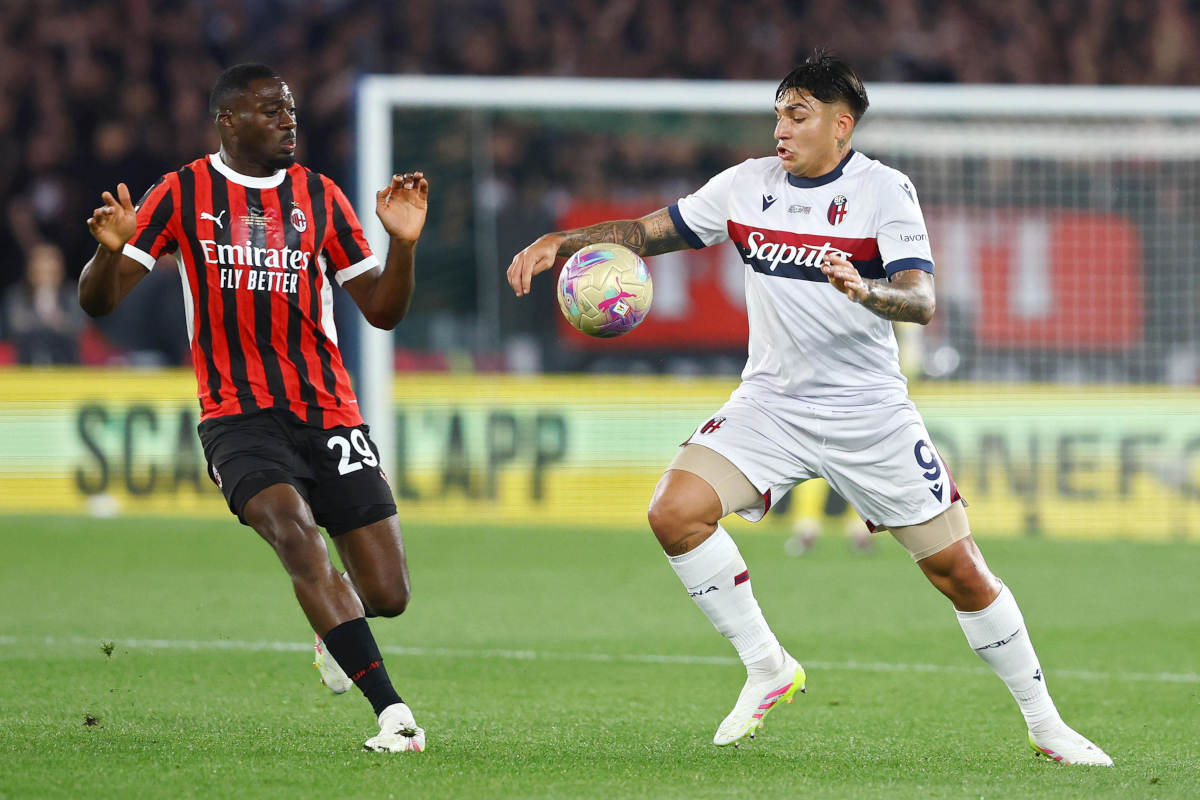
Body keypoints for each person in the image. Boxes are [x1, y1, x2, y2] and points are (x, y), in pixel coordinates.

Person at [506, 50, 1112, 766]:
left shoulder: (884, 191)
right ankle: (767, 665)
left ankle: (1046, 725)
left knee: (960, 571)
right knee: (674, 512)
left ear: (841, 125)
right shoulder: (745, 186)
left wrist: (866, 290)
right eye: (778, 115)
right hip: (772, 403)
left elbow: (920, 300)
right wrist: (562, 242)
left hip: (868, 413)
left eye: (797, 115)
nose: (781, 130)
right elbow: (646, 233)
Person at [79, 63, 428, 754]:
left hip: (328, 410)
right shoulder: (181, 193)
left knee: (388, 595)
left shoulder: (321, 197)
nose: (288, 120)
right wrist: (105, 254)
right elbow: (100, 301)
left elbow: (383, 312)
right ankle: (394, 715)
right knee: (295, 535)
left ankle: (335, 631)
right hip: (236, 415)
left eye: (290, 108)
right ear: (229, 120)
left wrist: (404, 245)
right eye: (271, 110)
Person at [3, 243, 84, 364]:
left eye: (50, 270)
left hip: (66, 364)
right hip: (26, 364)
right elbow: (15, 327)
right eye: (40, 268)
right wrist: (44, 317)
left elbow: (78, 327)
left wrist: (56, 317)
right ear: (30, 270)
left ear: (60, 269)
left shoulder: (73, 295)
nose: (45, 273)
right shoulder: (17, 295)